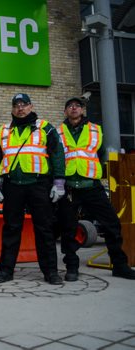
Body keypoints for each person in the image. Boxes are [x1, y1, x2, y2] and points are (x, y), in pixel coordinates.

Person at [56, 97, 135, 281]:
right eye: (69, 106)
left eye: (77, 106)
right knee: (68, 229)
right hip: (68, 189)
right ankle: (72, 267)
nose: (73, 109)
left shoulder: (95, 130)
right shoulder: (58, 132)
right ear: (65, 111)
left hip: (91, 186)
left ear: (83, 110)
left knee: (112, 224)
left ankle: (120, 265)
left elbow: (99, 154)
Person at [0, 93, 66, 285]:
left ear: (31, 107)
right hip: (12, 185)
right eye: (16, 105)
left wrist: (59, 182)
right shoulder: (3, 131)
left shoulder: (45, 128)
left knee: (44, 229)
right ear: (12, 108)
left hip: (38, 184)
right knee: (11, 229)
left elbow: (57, 154)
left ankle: (51, 272)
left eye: (24, 104)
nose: (20, 108)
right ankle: (5, 271)